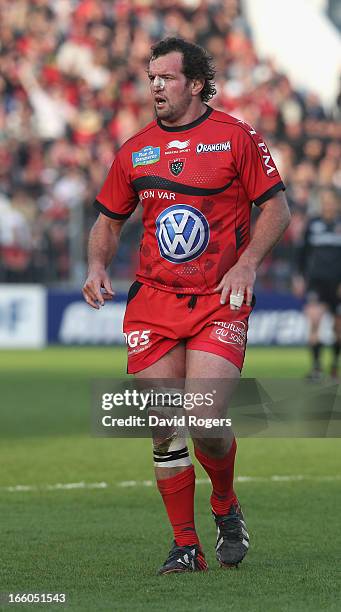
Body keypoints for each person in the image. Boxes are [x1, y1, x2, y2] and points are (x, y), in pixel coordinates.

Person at [83, 37, 290, 575]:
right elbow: (107, 222)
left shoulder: (236, 137)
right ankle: (185, 545)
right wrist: (97, 265)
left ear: (195, 84)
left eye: (166, 77)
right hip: (153, 301)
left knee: (205, 418)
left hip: (219, 298)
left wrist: (246, 264)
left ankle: (225, 505)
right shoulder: (135, 149)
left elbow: (277, 209)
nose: (155, 84)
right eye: (151, 76)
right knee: (164, 422)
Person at [294, 188, 341, 381]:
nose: (327, 204)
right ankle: (316, 368)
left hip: (338, 284)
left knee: (338, 330)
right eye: (324, 200)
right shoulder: (313, 224)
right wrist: (298, 277)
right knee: (314, 321)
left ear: (337, 203)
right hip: (316, 282)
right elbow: (301, 253)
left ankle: (334, 367)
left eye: (330, 201)